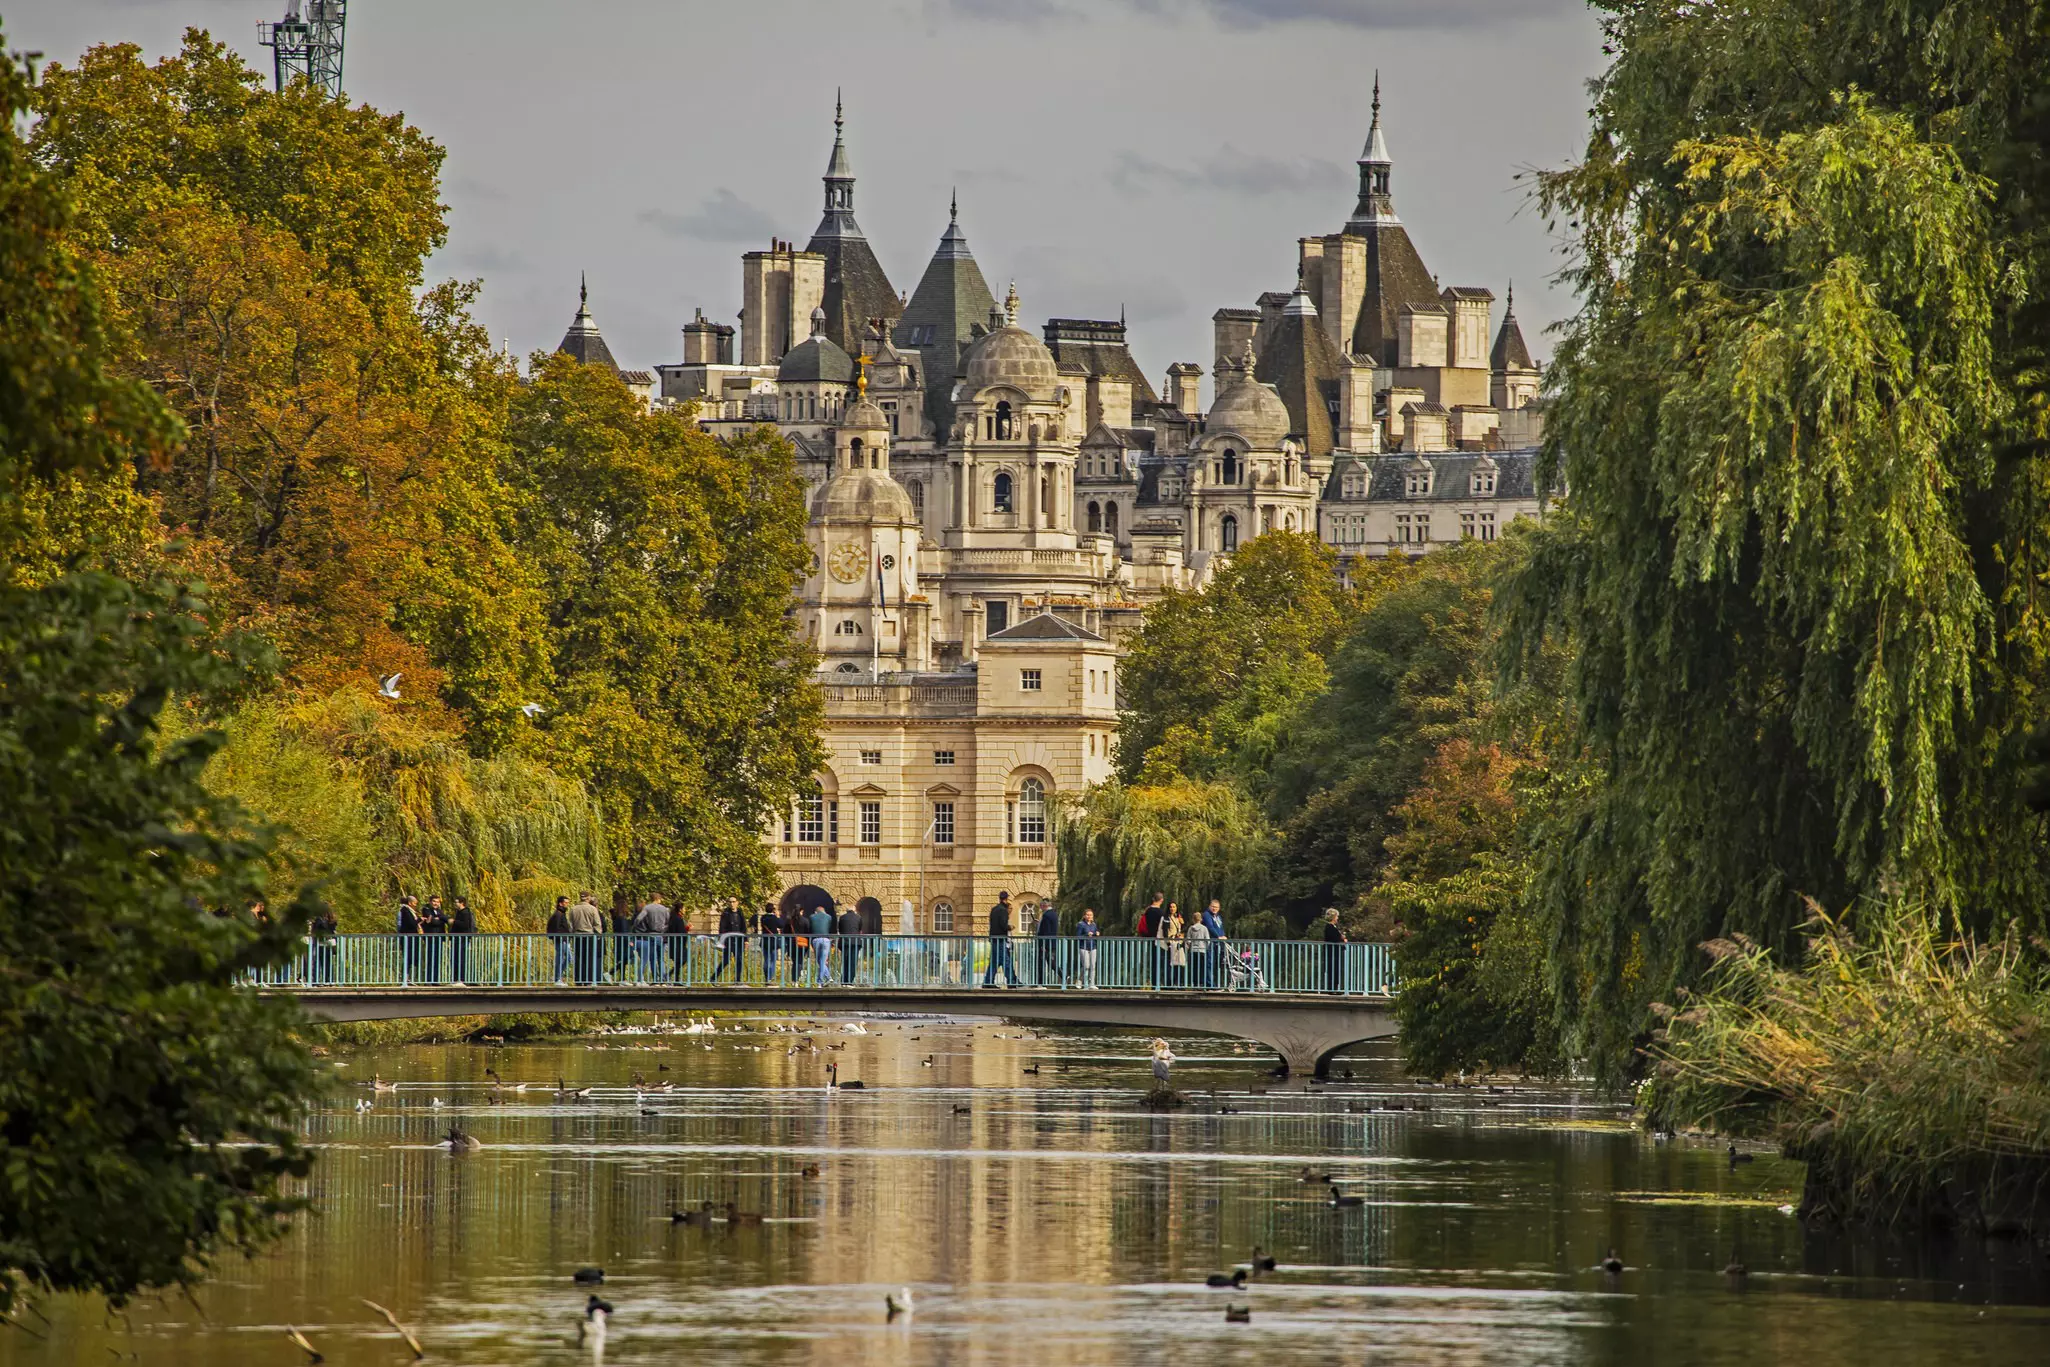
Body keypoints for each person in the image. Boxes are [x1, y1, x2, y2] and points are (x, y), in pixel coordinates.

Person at [983, 891, 1020, 988]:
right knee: (1006, 961)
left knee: (994, 962)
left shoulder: (994, 909)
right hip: (1001, 939)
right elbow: (1003, 925)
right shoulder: (1003, 910)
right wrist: (1010, 927)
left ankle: (988, 982)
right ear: (1006, 899)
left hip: (994, 939)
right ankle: (1011, 981)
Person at [567, 891, 605, 984]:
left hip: (577, 936)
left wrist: (571, 935)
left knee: (578, 958)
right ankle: (589, 980)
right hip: (589, 936)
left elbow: (570, 925)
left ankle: (578, 980)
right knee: (589, 958)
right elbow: (597, 924)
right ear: (588, 898)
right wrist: (598, 935)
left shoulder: (573, 909)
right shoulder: (592, 909)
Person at [634, 894, 671, 980]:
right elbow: (669, 922)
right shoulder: (664, 909)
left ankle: (655, 979)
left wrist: (638, 928)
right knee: (661, 958)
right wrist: (664, 929)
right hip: (661, 935)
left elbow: (638, 919)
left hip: (650, 934)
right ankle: (662, 979)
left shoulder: (647, 908)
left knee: (653, 958)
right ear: (659, 899)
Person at [713, 898, 745, 981]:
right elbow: (722, 928)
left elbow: (743, 927)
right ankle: (714, 977)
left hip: (738, 940)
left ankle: (737, 980)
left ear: (737, 903)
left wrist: (746, 940)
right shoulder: (726, 913)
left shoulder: (740, 912)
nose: (732, 904)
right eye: (730, 902)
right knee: (726, 960)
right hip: (728, 940)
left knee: (739, 960)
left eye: (734, 902)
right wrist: (722, 940)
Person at [449, 895, 476, 985]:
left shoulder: (466, 912)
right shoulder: (459, 912)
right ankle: (455, 979)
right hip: (456, 939)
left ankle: (461, 979)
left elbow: (465, 925)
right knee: (455, 958)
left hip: (462, 939)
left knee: (460, 958)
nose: (455, 904)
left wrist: (454, 922)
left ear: (462, 903)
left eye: (456, 902)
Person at [421, 895, 448, 984]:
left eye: (437, 902)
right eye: (434, 901)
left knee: (437, 959)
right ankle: (428, 980)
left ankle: (435, 980)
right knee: (430, 958)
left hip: (439, 937)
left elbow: (445, 919)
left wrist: (438, 918)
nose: (436, 903)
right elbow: (433, 921)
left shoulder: (440, 911)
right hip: (430, 937)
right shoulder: (426, 909)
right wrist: (439, 919)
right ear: (430, 901)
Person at [547, 895, 574, 984]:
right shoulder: (558, 914)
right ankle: (557, 978)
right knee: (561, 958)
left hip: (564, 940)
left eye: (567, 903)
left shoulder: (561, 914)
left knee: (568, 958)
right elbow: (556, 928)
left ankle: (557, 976)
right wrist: (562, 937)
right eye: (565, 903)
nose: (567, 904)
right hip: (561, 940)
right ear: (560, 903)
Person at [1158, 902, 1185, 988]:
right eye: (1171, 907)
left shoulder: (1178, 918)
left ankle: (1178, 982)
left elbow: (1181, 930)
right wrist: (1168, 942)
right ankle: (1169, 983)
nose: (1172, 909)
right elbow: (1165, 931)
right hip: (1171, 943)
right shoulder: (1166, 918)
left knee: (1179, 963)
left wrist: (1182, 924)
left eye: (1174, 907)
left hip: (1178, 943)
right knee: (1170, 963)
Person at [1184, 903, 1211, 988]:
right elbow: (1208, 940)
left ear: (1193, 919)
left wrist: (1188, 949)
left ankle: (1195, 983)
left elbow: (1188, 940)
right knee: (1202, 968)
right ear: (1201, 919)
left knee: (1194, 968)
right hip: (1202, 950)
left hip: (1193, 950)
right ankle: (1202, 983)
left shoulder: (1190, 928)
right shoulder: (1204, 928)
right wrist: (1207, 948)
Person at [1035, 901, 1062, 986]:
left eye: (1041, 906)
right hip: (1052, 942)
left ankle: (1041, 983)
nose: (1040, 908)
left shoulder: (1046, 915)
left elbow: (1046, 930)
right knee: (1051, 962)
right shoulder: (1054, 914)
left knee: (1041, 962)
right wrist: (1039, 923)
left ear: (1044, 906)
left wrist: (1043, 944)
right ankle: (1063, 975)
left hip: (1045, 943)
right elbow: (1050, 928)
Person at [309, 908, 339, 984]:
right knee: (327, 963)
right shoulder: (331, 920)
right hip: (328, 943)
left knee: (317, 963)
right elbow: (333, 931)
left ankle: (316, 981)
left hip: (321, 943)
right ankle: (328, 980)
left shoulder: (319, 920)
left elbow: (315, 931)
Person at [1202, 900, 1226, 991]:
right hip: (1210, 942)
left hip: (1218, 943)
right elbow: (1210, 927)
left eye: (1216, 907)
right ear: (1209, 906)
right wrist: (1218, 936)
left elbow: (1221, 927)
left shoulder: (1218, 917)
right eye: (1213, 906)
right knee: (1209, 963)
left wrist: (1223, 936)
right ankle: (1210, 985)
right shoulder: (1207, 915)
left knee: (1216, 964)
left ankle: (1215, 984)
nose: (1214, 908)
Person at [1322, 907, 1347, 993]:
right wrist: (1342, 938)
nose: (1337, 918)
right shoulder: (1329, 927)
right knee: (1332, 970)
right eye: (1336, 916)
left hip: (1334, 953)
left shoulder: (1333, 927)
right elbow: (1334, 938)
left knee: (1335, 970)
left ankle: (1334, 989)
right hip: (1331, 953)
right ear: (1333, 917)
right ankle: (1332, 989)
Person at [809, 904, 835, 986]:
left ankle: (820, 981)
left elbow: (810, 928)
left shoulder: (812, 917)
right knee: (822, 961)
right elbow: (830, 927)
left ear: (816, 912)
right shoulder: (829, 917)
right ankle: (828, 977)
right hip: (826, 940)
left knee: (820, 961)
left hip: (816, 939)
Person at [609, 899, 635, 983]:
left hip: (618, 941)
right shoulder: (622, 918)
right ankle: (611, 973)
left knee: (622, 960)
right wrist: (629, 941)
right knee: (627, 958)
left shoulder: (615, 918)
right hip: (624, 942)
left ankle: (622, 979)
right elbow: (624, 930)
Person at [837, 903, 862, 984]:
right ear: (854, 910)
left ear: (846, 910)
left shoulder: (842, 917)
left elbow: (840, 929)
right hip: (855, 942)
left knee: (845, 961)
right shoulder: (858, 917)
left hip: (845, 942)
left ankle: (844, 981)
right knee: (853, 962)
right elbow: (860, 929)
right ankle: (850, 981)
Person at [666, 902, 691, 983]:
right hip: (678, 943)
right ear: (680, 909)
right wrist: (687, 929)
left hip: (673, 942)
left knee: (678, 961)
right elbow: (681, 932)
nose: (685, 910)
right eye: (684, 908)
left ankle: (675, 978)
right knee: (683, 959)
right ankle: (672, 976)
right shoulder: (678, 919)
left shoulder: (672, 918)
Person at [1076, 908, 1100, 989]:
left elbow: (1095, 932)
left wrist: (1097, 934)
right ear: (1084, 916)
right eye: (1088, 915)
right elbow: (1078, 936)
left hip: (1093, 946)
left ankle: (1092, 984)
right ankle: (1079, 980)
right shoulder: (1081, 924)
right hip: (1084, 947)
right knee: (1086, 965)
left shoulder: (1094, 925)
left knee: (1093, 966)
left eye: (1091, 915)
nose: (1089, 916)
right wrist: (1086, 934)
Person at [759, 903, 782, 983]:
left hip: (764, 941)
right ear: (773, 910)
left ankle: (766, 977)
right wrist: (778, 916)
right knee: (773, 960)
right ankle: (770, 978)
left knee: (766, 960)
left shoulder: (763, 918)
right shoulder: (774, 918)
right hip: (773, 942)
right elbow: (781, 925)